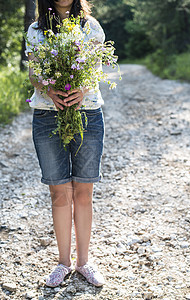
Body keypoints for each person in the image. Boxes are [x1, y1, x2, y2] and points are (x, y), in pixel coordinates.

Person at [25, 0, 105, 287]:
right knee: (59, 193)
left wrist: (81, 88)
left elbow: (96, 70)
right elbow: (33, 73)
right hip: (47, 116)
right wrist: (49, 89)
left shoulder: (91, 27)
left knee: (83, 191)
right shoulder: (36, 30)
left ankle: (84, 263)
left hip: (88, 115)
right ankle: (63, 262)